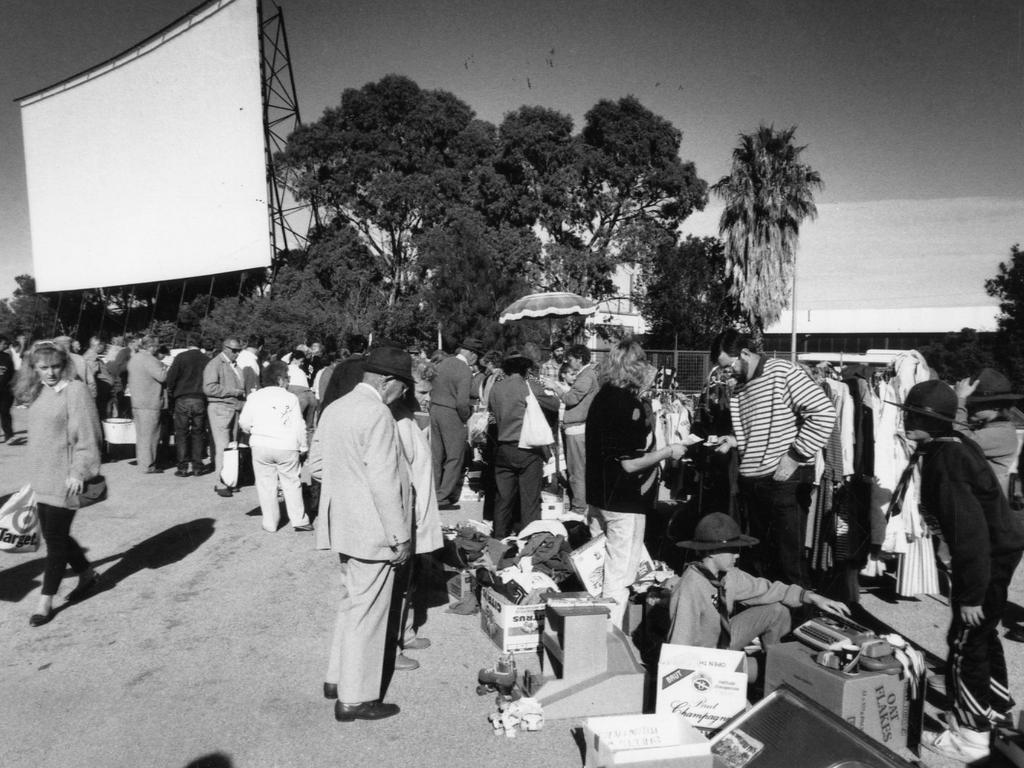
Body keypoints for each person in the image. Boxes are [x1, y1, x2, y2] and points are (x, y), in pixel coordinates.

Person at [891, 381, 1024, 762]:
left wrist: (971, 596)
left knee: (966, 645)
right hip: (998, 550)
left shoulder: (946, 460)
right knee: (981, 636)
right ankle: (993, 707)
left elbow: (969, 533)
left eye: (912, 414)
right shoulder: (951, 444)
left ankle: (970, 735)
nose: (904, 418)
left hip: (987, 556)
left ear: (928, 421)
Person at [310, 346, 413, 722]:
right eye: (404, 386)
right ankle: (356, 698)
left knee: (351, 604)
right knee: (368, 615)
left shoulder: (335, 407)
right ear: (389, 381)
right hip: (374, 529)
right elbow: (384, 482)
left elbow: (317, 468)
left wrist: (348, 490)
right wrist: (399, 536)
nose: (404, 394)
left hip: (345, 525)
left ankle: (337, 679)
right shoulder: (377, 414)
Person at [711, 329, 836, 586]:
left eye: (729, 365)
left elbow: (824, 413)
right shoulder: (741, 387)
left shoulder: (783, 372)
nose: (728, 372)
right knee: (760, 564)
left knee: (789, 565)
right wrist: (735, 440)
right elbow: (766, 425)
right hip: (754, 483)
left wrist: (794, 456)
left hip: (783, 482)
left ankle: (801, 620)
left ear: (745, 353)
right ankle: (771, 622)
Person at [586, 338, 693, 628]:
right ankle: (609, 640)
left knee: (598, 572)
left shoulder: (602, 396)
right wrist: (668, 451)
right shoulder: (629, 405)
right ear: (636, 367)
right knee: (619, 578)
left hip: (598, 497)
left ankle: (592, 633)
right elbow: (630, 463)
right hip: (625, 501)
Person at [14, 341, 103, 626]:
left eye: (55, 366)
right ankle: (87, 574)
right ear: (34, 368)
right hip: (42, 477)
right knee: (58, 536)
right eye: (43, 367)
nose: (50, 372)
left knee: (54, 540)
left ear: (64, 364)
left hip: (67, 479)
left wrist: (79, 471)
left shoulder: (75, 390)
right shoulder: (37, 391)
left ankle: (45, 601)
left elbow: (89, 436)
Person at [668, 512, 849, 650]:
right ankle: (758, 673)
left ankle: (772, 665)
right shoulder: (690, 586)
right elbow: (680, 641)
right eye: (732, 550)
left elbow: (766, 590)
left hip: (723, 639)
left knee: (777, 610)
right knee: (749, 672)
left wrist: (812, 597)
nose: (738, 555)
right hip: (700, 655)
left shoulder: (730, 575)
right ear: (712, 552)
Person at [389, 360, 443, 665]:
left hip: (418, 510)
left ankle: (406, 631)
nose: (428, 398)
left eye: (430, 392)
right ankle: (391, 647)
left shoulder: (410, 418)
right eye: (423, 391)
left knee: (408, 580)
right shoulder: (393, 420)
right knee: (396, 583)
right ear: (407, 388)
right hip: (404, 512)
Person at [487, 348, 560, 538]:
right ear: (526, 369)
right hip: (527, 448)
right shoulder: (529, 385)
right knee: (530, 500)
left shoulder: (496, 388)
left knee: (503, 498)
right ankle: (529, 539)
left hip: (503, 447)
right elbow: (554, 404)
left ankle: (499, 537)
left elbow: (492, 417)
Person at [239, 361, 311, 532]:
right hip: (286, 445)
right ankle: (299, 520)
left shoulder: (254, 397)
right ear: (279, 380)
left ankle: (270, 522)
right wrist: (303, 447)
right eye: (287, 378)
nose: (288, 381)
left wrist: (254, 431)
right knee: (291, 482)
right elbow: (299, 426)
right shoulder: (290, 397)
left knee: (265, 485)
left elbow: (244, 422)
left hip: (260, 444)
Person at [544, 344, 598, 515]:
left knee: (577, 471)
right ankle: (580, 505)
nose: (569, 362)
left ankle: (578, 508)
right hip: (576, 429)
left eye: (571, 359)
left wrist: (555, 387)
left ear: (580, 359)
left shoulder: (585, 376)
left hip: (577, 429)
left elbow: (571, 399)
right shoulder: (586, 375)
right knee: (577, 470)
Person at [430, 337, 482, 510]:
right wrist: (467, 416)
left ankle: (432, 491)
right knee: (455, 456)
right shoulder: (464, 370)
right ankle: (443, 496)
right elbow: (462, 402)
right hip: (451, 413)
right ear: (472, 354)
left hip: (435, 409)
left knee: (436, 455)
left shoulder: (443, 363)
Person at [954, 368, 1022, 499]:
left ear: (995, 406)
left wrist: (960, 399)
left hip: (985, 507)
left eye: (974, 404)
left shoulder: (1003, 433)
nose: (968, 407)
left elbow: (960, 441)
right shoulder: (989, 427)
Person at [203, 338, 248, 497]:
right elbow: (209, 388)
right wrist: (233, 391)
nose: (237, 353)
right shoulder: (214, 364)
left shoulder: (235, 366)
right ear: (225, 348)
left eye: (239, 350)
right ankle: (220, 482)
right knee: (223, 447)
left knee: (233, 446)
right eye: (234, 350)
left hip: (234, 408)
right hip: (220, 409)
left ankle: (231, 480)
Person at [165, 340, 209, 477]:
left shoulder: (180, 357)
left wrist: (171, 393)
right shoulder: (206, 359)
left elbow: (171, 378)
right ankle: (197, 466)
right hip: (200, 398)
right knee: (198, 433)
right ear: (200, 345)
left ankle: (182, 467)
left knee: (181, 433)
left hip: (182, 398)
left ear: (188, 344)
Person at [127, 336, 168, 474]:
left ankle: (142, 462)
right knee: (151, 436)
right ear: (152, 347)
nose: (157, 349)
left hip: (137, 401)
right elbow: (162, 377)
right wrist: (165, 367)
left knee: (141, 435)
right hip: (150, 401)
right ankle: (148, 465)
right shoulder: (150, 359)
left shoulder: (135, 358)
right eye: (156, 346)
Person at [0, 335, 15, 442]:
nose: (6, 346)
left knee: (5, 412)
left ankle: (9, 436)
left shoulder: (7, 357)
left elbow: (11, 374)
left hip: (5, 391)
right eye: (3, 343)